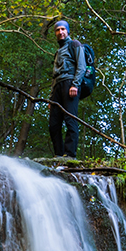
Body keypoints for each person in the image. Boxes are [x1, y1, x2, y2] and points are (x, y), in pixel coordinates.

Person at [48, 19, 82, 158]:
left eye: (63, 29)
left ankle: (70, 155)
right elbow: (54, 76)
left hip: (70, 84)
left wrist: (75, 84)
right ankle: (58, 155)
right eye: (57, 30)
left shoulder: (75, 44)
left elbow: (81, 66)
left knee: (70, 119)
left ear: (67, 31)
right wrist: (51, 98)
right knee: (53, 124)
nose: (60, 32)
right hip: (57, 87)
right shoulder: (57, 52)